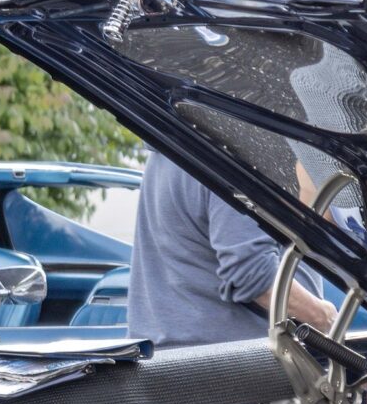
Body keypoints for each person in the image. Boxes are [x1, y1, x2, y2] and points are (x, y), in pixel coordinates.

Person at [127, 149, 337, 349]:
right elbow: (253, 275)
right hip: (228, 367)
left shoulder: (173, 146)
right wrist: (321, 317)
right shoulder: (231, 154)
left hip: (178, 360)